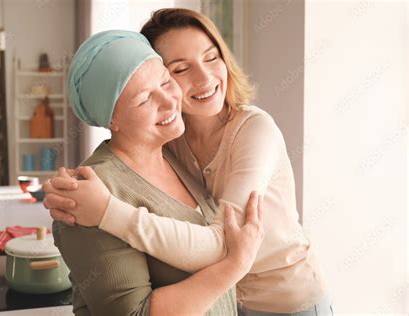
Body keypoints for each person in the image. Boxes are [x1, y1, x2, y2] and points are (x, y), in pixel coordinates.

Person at [44, 8, 333, 316]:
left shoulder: (252, 130)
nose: (204, 78)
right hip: (237, 300)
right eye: (179, 71)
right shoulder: (172, 140)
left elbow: (223, 242)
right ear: (109, 118)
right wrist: (64, 189)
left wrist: (107, 212)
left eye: (211, 58)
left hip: (287, 299)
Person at [50, 29, 264, 316]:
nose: (168, 101)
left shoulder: (174, 155)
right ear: (110, 118)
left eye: (165, 81)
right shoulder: (89, 195)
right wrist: (235, 265)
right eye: (144, 99)